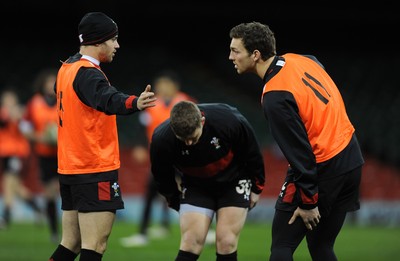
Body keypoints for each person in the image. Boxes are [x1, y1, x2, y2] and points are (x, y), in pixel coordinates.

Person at [228, 21, 364, 260]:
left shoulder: (274, 97)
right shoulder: (302, 59)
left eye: (235, 50)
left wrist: (309, 201)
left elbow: (300, 155)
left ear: (256, 55)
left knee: (282, 245)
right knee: (322, 247)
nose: (230, 56)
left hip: (324, 167)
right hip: (351, 158)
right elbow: (316, 66)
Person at [48, 12, 156, 261]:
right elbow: (107, 98)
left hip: (70, 168)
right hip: (93, 168)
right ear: (98, 41)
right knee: (94, 247)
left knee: (69, 245)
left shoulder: (66, 68)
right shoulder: (88, 73)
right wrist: (134, 102)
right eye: (113, 39)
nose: (117, 45)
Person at [150, 100, 265, 261]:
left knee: (226, 241)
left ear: (202, 122)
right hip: (196, 186)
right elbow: (162, 176)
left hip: (234, 181)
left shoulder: (229, 120)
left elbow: (252, 152)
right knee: (190, 242)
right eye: (183, 139)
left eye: (192, 137)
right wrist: (175, 201)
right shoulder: (162, 139)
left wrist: (257, 187)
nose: (189, 143)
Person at [120, 70, 198, 247]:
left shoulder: (186, 102)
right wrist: (140, 146)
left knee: (192, 191)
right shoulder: (153, 103)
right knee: (151, 192)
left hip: (184, 155)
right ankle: (143, 233)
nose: (161, 88)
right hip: (161, 156)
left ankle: (203, 230)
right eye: (159, 85)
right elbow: (143, 126)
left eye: (164, 84)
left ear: (174, 86)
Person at [20, 68, 60, 243]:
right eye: (48, 83)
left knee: (67, 191)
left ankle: (75, 231)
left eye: (54, 83)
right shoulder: (34, 103)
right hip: (44, 154)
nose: (51, 86)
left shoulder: (64, 100)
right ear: (43, 85)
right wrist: (39, 137)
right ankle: (54, 231)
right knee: (49, 194)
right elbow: (24, 127)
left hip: (64, 153)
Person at [0, 88, 43, 229]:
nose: (8, 102)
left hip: (16, 153)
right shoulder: (5, 113)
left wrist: (18, 117)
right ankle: (37, 209)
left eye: (10, 99)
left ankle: (6, 216)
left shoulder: (19, 114)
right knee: (16, 187)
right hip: (6, 153)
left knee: (9, 181)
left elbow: (25, 128)